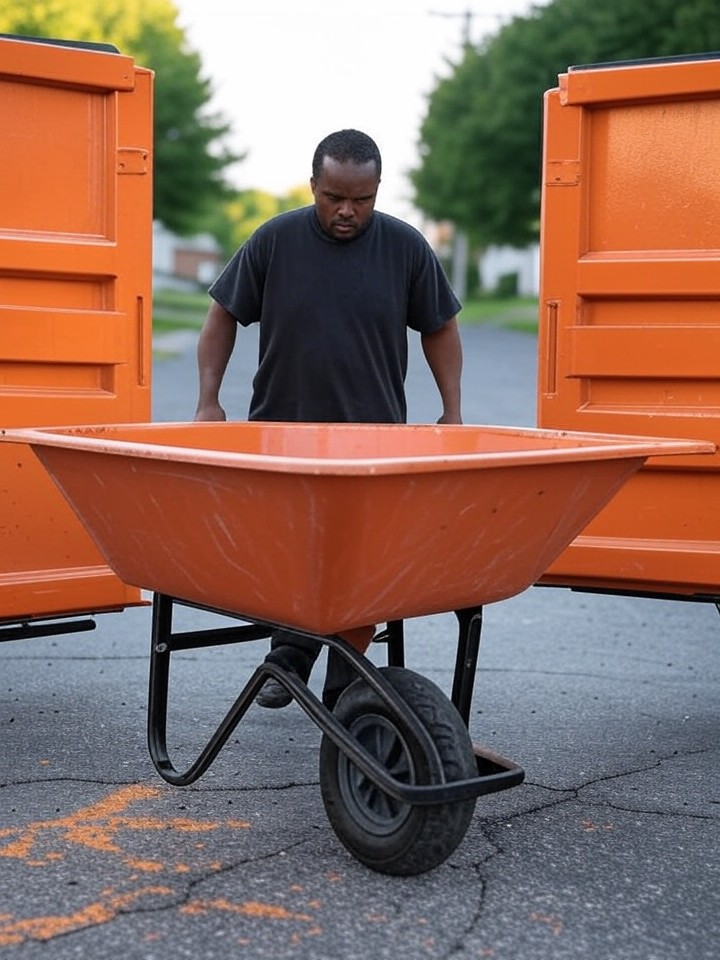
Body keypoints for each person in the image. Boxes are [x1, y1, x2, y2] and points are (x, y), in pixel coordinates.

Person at [194, 128, 463, 710]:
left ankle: (340, 672)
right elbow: (223, 315)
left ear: (377, 190)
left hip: (374, 436)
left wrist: (453, 411)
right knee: (294, 553)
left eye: (362, 199)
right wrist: (208, 400)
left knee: (366, 559)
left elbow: (440, 327)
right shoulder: (275, 240)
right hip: (283, 431)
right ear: (313, 184)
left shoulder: (405, 247)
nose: (347, 211)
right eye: (334, 196)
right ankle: (294, 647)